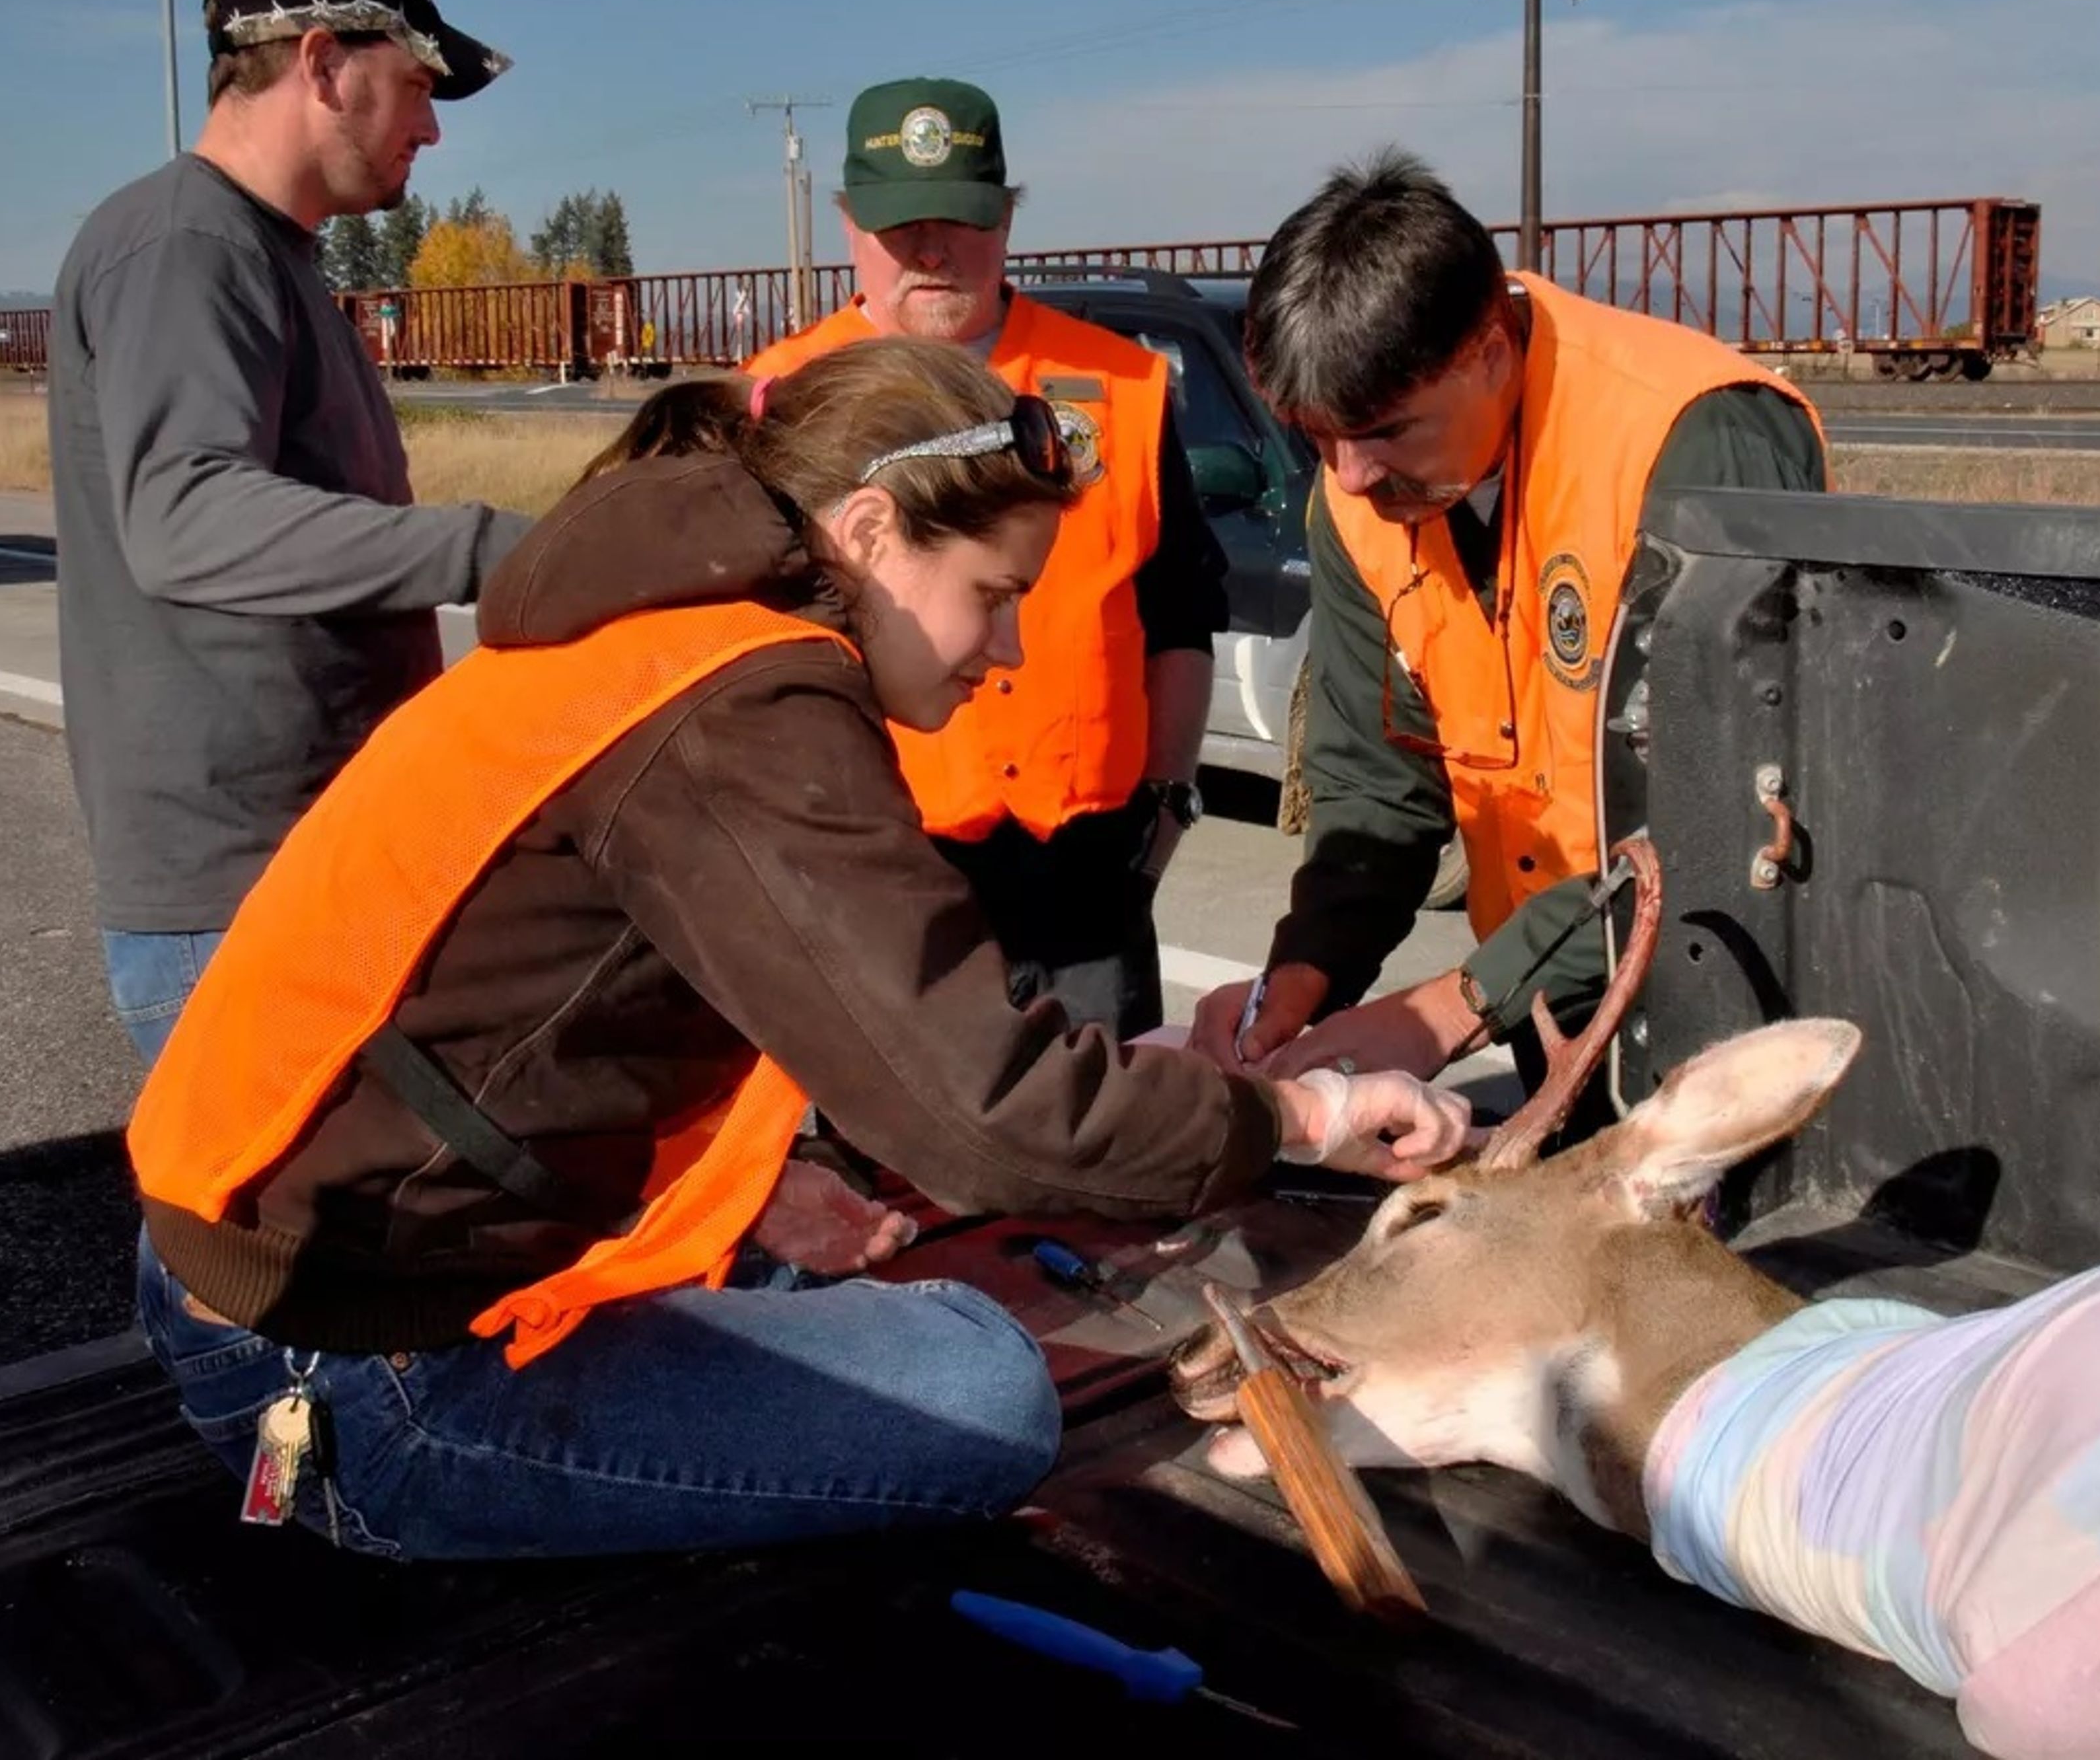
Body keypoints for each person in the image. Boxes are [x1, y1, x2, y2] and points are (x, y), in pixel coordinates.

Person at [126, 336, 1474, 1562]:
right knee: (984, 1388)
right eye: (995, 595)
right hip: (365, 1374)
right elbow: (985, 1108)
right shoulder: (751, 704)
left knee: (856, 1282)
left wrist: (774, 1187)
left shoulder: (662, 630)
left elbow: (549, 1017)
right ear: (873, 529)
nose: (1007, 651)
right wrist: (1303, 1111)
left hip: (271, 1281)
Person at [1189, 151, 1827, 1111]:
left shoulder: (1691, 441)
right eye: (1316, 438)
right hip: (1552, 1017)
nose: (1350, 477)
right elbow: (1377, 785)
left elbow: (1721, 807)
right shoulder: (1357, 496)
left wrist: (1454, 1006)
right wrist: (1301, 977)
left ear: (1491, 350)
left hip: (1722, 1008)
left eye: (1387, 432)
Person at [48, 0, 528, 1065]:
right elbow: (184, 518)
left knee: (305, 1233)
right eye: (417, 85)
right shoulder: (187, 247)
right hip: (241, 888)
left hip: (306, 857)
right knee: (262, 1240)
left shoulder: (264, 253)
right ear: (321, 64)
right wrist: (482, 549)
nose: (429, 127)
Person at [740, 77, 1228, 1042]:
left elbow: (1179, 611)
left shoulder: (1126, 386)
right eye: (900, 225)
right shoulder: (783, 398)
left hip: (1087, 883)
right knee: (888, 1176)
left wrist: (1165, 809)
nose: (931, 250)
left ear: (1007, 217)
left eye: (961, 221)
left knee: (1104, 1163)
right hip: (875, 873)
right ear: (846, 224)